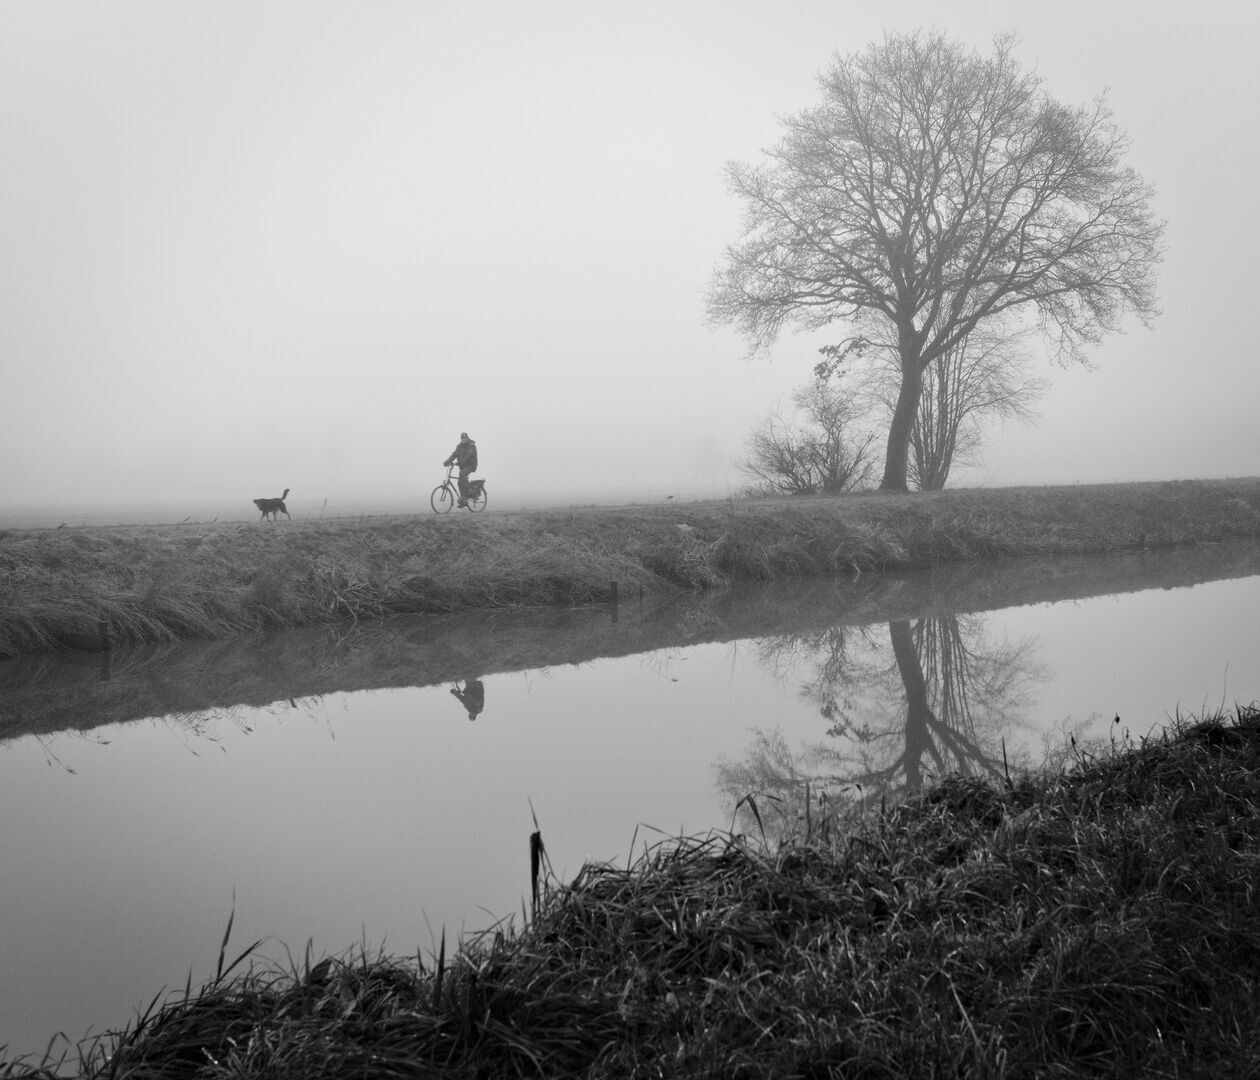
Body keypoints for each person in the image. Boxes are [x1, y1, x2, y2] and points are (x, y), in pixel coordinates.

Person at [443, 432, 478, 507]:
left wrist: (460, 462)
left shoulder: (471, 446)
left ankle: (472, 493)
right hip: (463, 466)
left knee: (462, 473)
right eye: (462, 438)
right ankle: (464, 499)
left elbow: (469, 455)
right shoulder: (459, 447)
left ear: (467, 438)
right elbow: (454, 454)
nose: (464, 439)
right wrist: (448, 461)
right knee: (459, 482)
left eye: (465, 438)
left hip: (471, 465)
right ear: (461, 439)